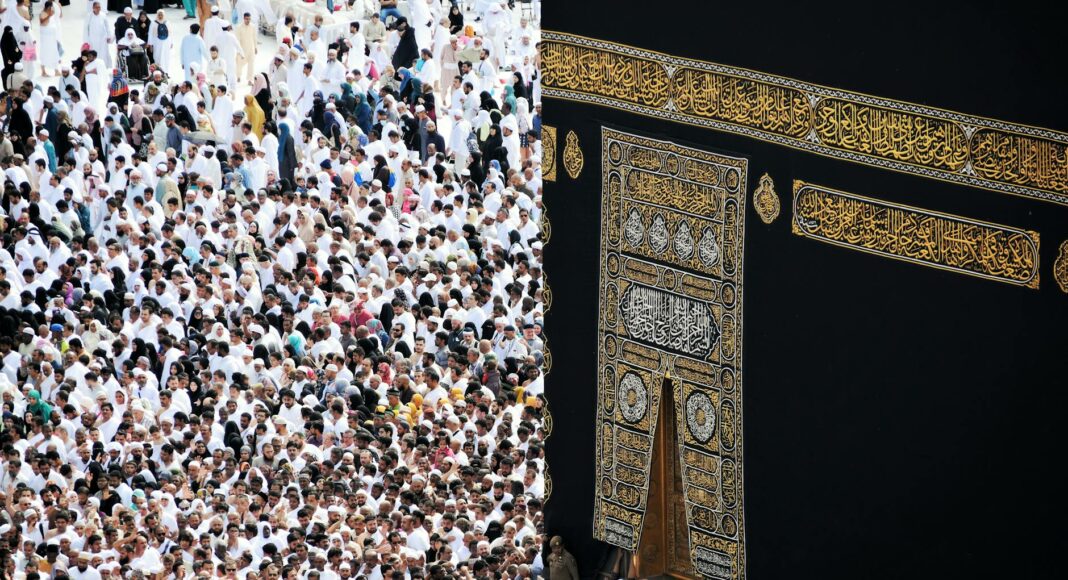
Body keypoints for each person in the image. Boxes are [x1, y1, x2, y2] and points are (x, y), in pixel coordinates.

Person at [37, 2, 61, 77]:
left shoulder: (51, 12)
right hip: (46, 38)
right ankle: (43, 71)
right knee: (45, 53)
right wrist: (49, 16)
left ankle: (56, 70)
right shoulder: (43, 13)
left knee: (54, 52)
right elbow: (42, 22)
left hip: (51, 38)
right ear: (48, 7)